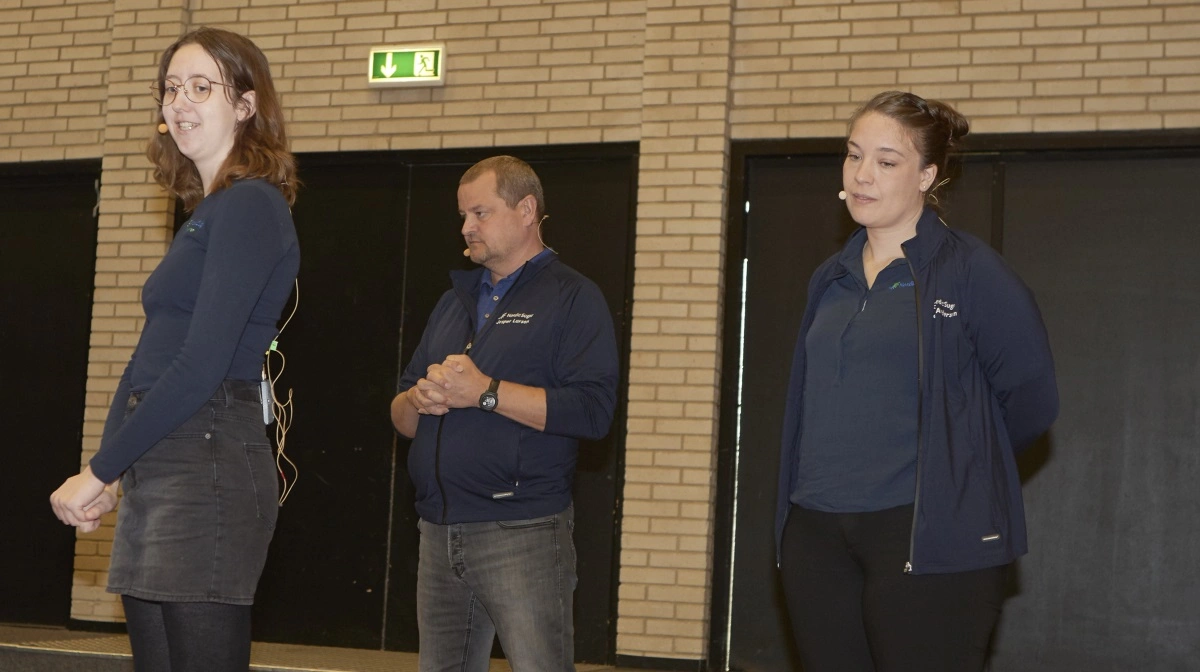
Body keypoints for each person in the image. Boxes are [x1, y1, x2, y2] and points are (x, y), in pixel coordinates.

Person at [774, 90, 1058, 671]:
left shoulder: (971, 270)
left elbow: (1031, 398)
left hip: (923, 533)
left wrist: (962, 467)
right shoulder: (829, 278)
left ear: (928, 175)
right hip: (817, 534)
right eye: (853, 156)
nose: (862, 175)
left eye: (886, 161)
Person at [50, 27, 300, 672]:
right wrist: (110, 470)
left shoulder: (250, 205)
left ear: (245, 106)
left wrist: (102, 470)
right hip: (166, 461)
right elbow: (146, 363)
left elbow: (201, 366)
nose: (179, 103)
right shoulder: (206, 213)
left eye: (201, 87)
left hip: (210, 458)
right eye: (170, 89)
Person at [390, 155, 618, 672]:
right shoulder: (454, 302)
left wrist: (486, 392)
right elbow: (400, 415)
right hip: (437, 530)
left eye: (481, 213)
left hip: (523, 532)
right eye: (463, 216)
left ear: (526, 210)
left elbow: (593, 411)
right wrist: (418, 401)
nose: (466, 227)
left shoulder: (573, 298)